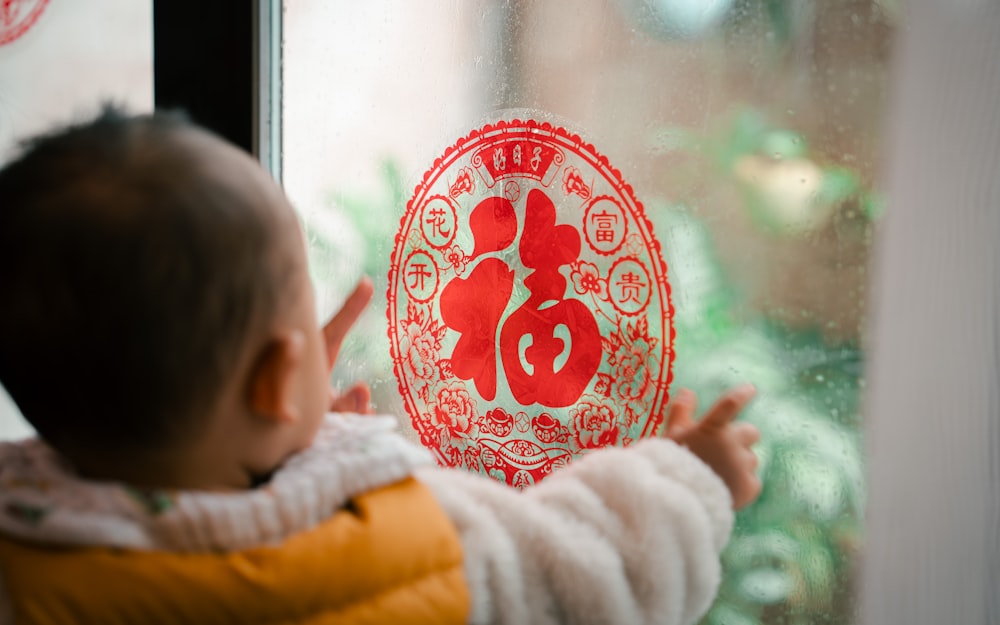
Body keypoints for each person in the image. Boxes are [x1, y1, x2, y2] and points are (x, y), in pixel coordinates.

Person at [0, 109, 761, 625]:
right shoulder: (412, 543)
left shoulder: (24, 565)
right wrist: (692, 477)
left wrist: (291, 434)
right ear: (273, 381)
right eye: (303, 306)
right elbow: (594, 569)